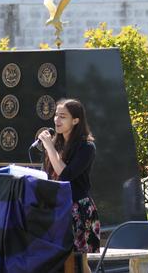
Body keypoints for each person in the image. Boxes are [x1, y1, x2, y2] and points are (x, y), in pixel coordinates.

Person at [38, 98, 100, 273]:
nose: (57, 120)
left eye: (63, 116)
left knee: (77, 264)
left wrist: (49, 147)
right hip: (55, 208)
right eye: (56, 115)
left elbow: (66, 175)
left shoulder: (87, 147)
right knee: (57, 262)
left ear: (75, 120)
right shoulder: (56, 144)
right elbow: (49, 175)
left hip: (77, 209)